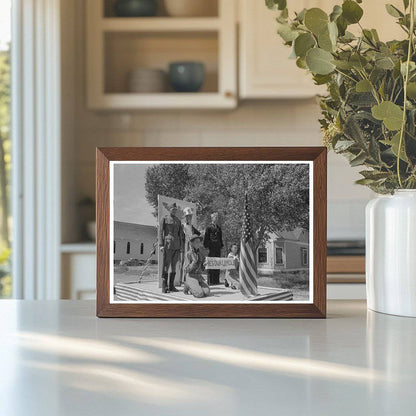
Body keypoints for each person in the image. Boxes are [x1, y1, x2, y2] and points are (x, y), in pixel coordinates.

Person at [159, 202, 184, 293]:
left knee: (174, 266)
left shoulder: (178, 220)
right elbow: (160, 232)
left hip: (176, 245)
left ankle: (171, 286)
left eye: (175, 210)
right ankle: (164, 286)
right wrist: (161, 245)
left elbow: (180, 234)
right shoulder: (164, 218)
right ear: (169, 209)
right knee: (166, 265)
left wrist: (181, 247)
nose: (174, 211)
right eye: (173, 209)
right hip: (168, 245)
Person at [183, 234, 210, 298]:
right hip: (191, 276)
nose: (198, 243)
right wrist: (193, 263)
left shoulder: (201, 253)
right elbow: (186, 269)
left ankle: (196, 286)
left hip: (199, 276)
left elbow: (202, 269)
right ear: (192, 243)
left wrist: (204, 265)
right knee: (199, 294)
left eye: (199, 242)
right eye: (196, 242)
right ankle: (187, 284)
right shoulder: (188, 254)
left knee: (207, 292)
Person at [203, 212, 224, 285]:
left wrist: (221, 245)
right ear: (212, 218)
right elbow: (206, 237)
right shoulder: (209, 227)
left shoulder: (218, 227)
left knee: (217, 263)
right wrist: (207, 246)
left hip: (217, 247)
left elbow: (220, 237)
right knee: (211, 263)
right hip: (211, 247)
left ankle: (216, 280)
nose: (216, 219)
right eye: (215, 217)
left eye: (217, 217)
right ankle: (210, 280)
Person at [181, 207, 200, 283]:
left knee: (192, 261)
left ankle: (190, 276)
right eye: (188, 216)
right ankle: (184, 278)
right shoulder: (183, 225)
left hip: (191, 245)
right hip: (185, 245)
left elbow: (197, 233)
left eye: (190, 216)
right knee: (185, 261)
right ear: (185, 217)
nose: (190, 218)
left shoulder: (192, 226)